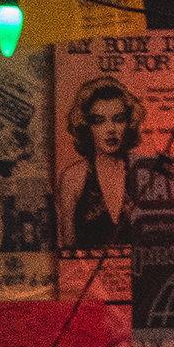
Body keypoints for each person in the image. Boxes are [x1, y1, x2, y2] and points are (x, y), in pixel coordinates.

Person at [56, 76, 144, 248]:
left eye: (118, 119)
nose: (110, 129)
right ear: (87, 125)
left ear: (129, 123)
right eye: (99, 121)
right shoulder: (73, 179)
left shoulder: (144, 170)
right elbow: (69, 251)